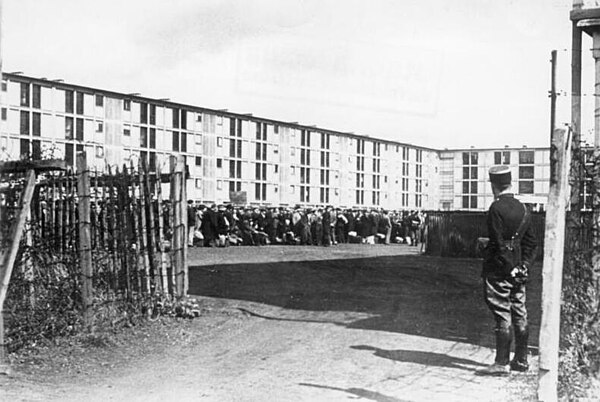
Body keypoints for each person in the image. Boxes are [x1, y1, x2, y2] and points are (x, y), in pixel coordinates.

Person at [476, 165, 537, 376]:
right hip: (520, 270)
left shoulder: (496, 208)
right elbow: (531, 244)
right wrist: (523, 267)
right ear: (510, 183)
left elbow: (498, 244)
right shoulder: (523, 208)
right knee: (520, 311)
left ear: (494, 185)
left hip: (498, 270)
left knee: (502, 313)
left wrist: (508, 267)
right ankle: (521, 360)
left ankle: (501, 364)